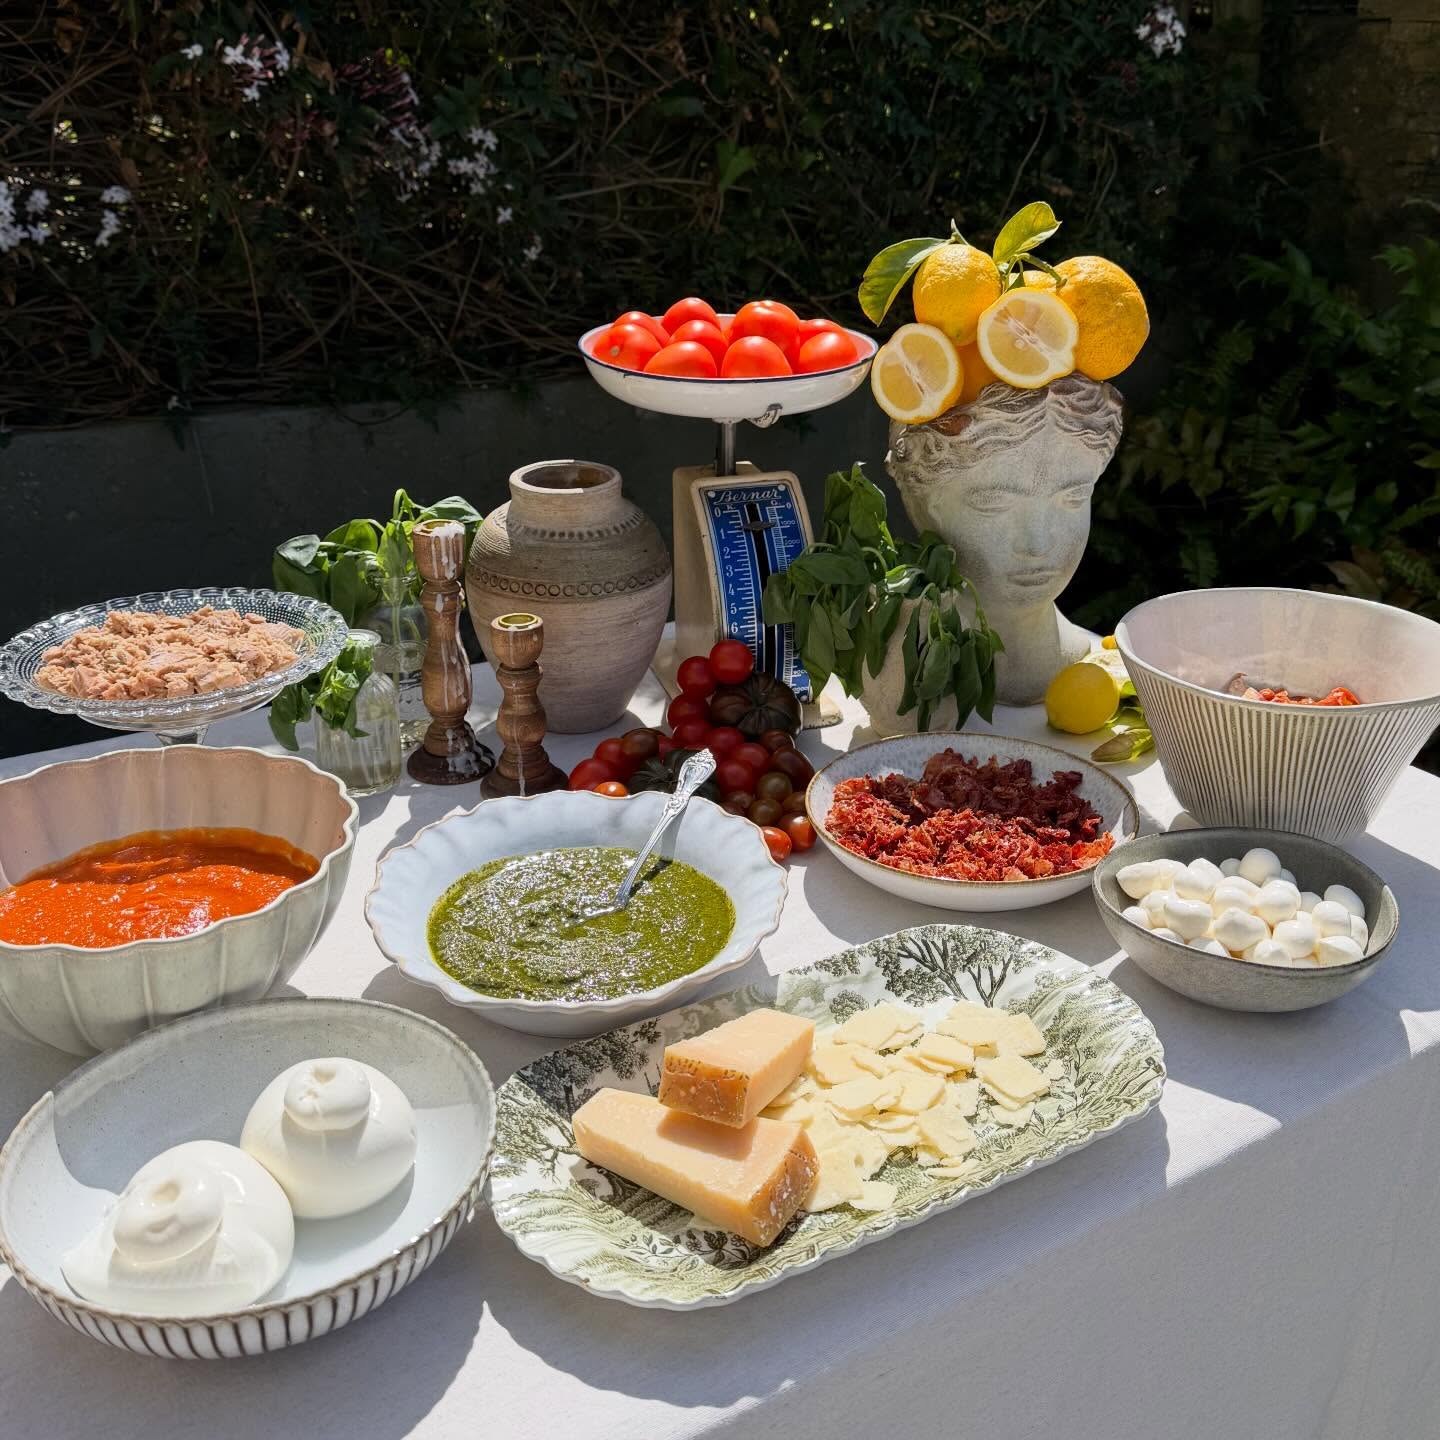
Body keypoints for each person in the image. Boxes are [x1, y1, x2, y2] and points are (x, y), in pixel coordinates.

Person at [885, 374, 1124, 704]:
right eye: (994, 503)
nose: (1038, 544)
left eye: (1073, 498)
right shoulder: (896, 678)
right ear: (920, 504)